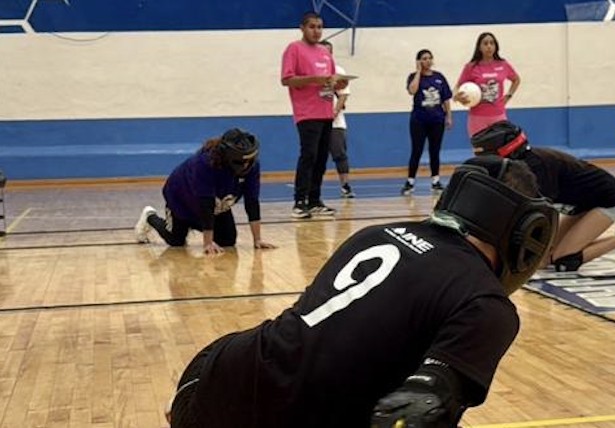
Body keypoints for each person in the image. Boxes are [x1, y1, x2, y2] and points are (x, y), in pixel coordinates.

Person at [164, 156, 558, 428]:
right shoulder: (485, 303)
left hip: (213, 373)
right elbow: (417, 410)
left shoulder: (375, 233)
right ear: (526, 231)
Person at [471, 121, 615, 269]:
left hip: (607, 200)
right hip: (581, 204)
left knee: (564, 260)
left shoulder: (535, 169)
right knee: (542, 261)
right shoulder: (520, 164)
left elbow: (538, 215)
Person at [133, 128, 276, 255]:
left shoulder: (252, 167)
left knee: (227, 240)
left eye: (250, 160)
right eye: (242, 161)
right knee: (176, 241)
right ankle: (150, 216)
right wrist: (207, 242)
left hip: (216, 206)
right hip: (182, 201)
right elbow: (205, 203)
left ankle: (195, 225)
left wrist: (257, 240)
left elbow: (252, 201)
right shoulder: (204, 164)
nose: (246, 165)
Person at [281, 11, 349, 218]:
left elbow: (329, 82)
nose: (316, 31)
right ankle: (299, 201)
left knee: (321, 158)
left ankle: (314, 199)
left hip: (326, 111)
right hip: (307, 112)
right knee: (308, 155)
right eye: (312, 26)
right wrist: (313, 79)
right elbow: (287, 80)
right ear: (302, 28)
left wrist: (339, 83)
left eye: (320, 27)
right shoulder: (294, 49)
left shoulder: (325, 52)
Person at [403, 49, 453, 195]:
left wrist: (449, 116)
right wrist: (418, 72)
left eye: (429, 58)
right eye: (424, 58)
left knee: (435, 151)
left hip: (437, 120)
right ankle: (410, 181)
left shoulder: (439, 77)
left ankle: (435, 181)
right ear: (419, 61)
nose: (428, 61)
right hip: (419, 120)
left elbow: (445, 98)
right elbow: (412, 91)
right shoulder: (413, 76)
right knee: (417, 150)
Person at [454, 32, 520, 137]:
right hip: (477, 118)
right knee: (481, 152)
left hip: (498, 116)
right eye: (485, 43)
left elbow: (516, 79)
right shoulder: (471, 67)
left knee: (500, 151)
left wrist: (509, 95)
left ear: (496, 46)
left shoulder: (503, 64)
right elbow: (458, 86)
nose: (489, 46)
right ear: (479, 47)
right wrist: (456, 96)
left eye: (492, 43)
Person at [319, 40, 355, 198]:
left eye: (329, 51)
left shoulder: (338, 71)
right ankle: (314, 190)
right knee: (316, 157)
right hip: (316, 120)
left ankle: (345, 186)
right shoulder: (312, 72)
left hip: (335, 122)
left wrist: (334, 112)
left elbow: (343, 95)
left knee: (339, 153)